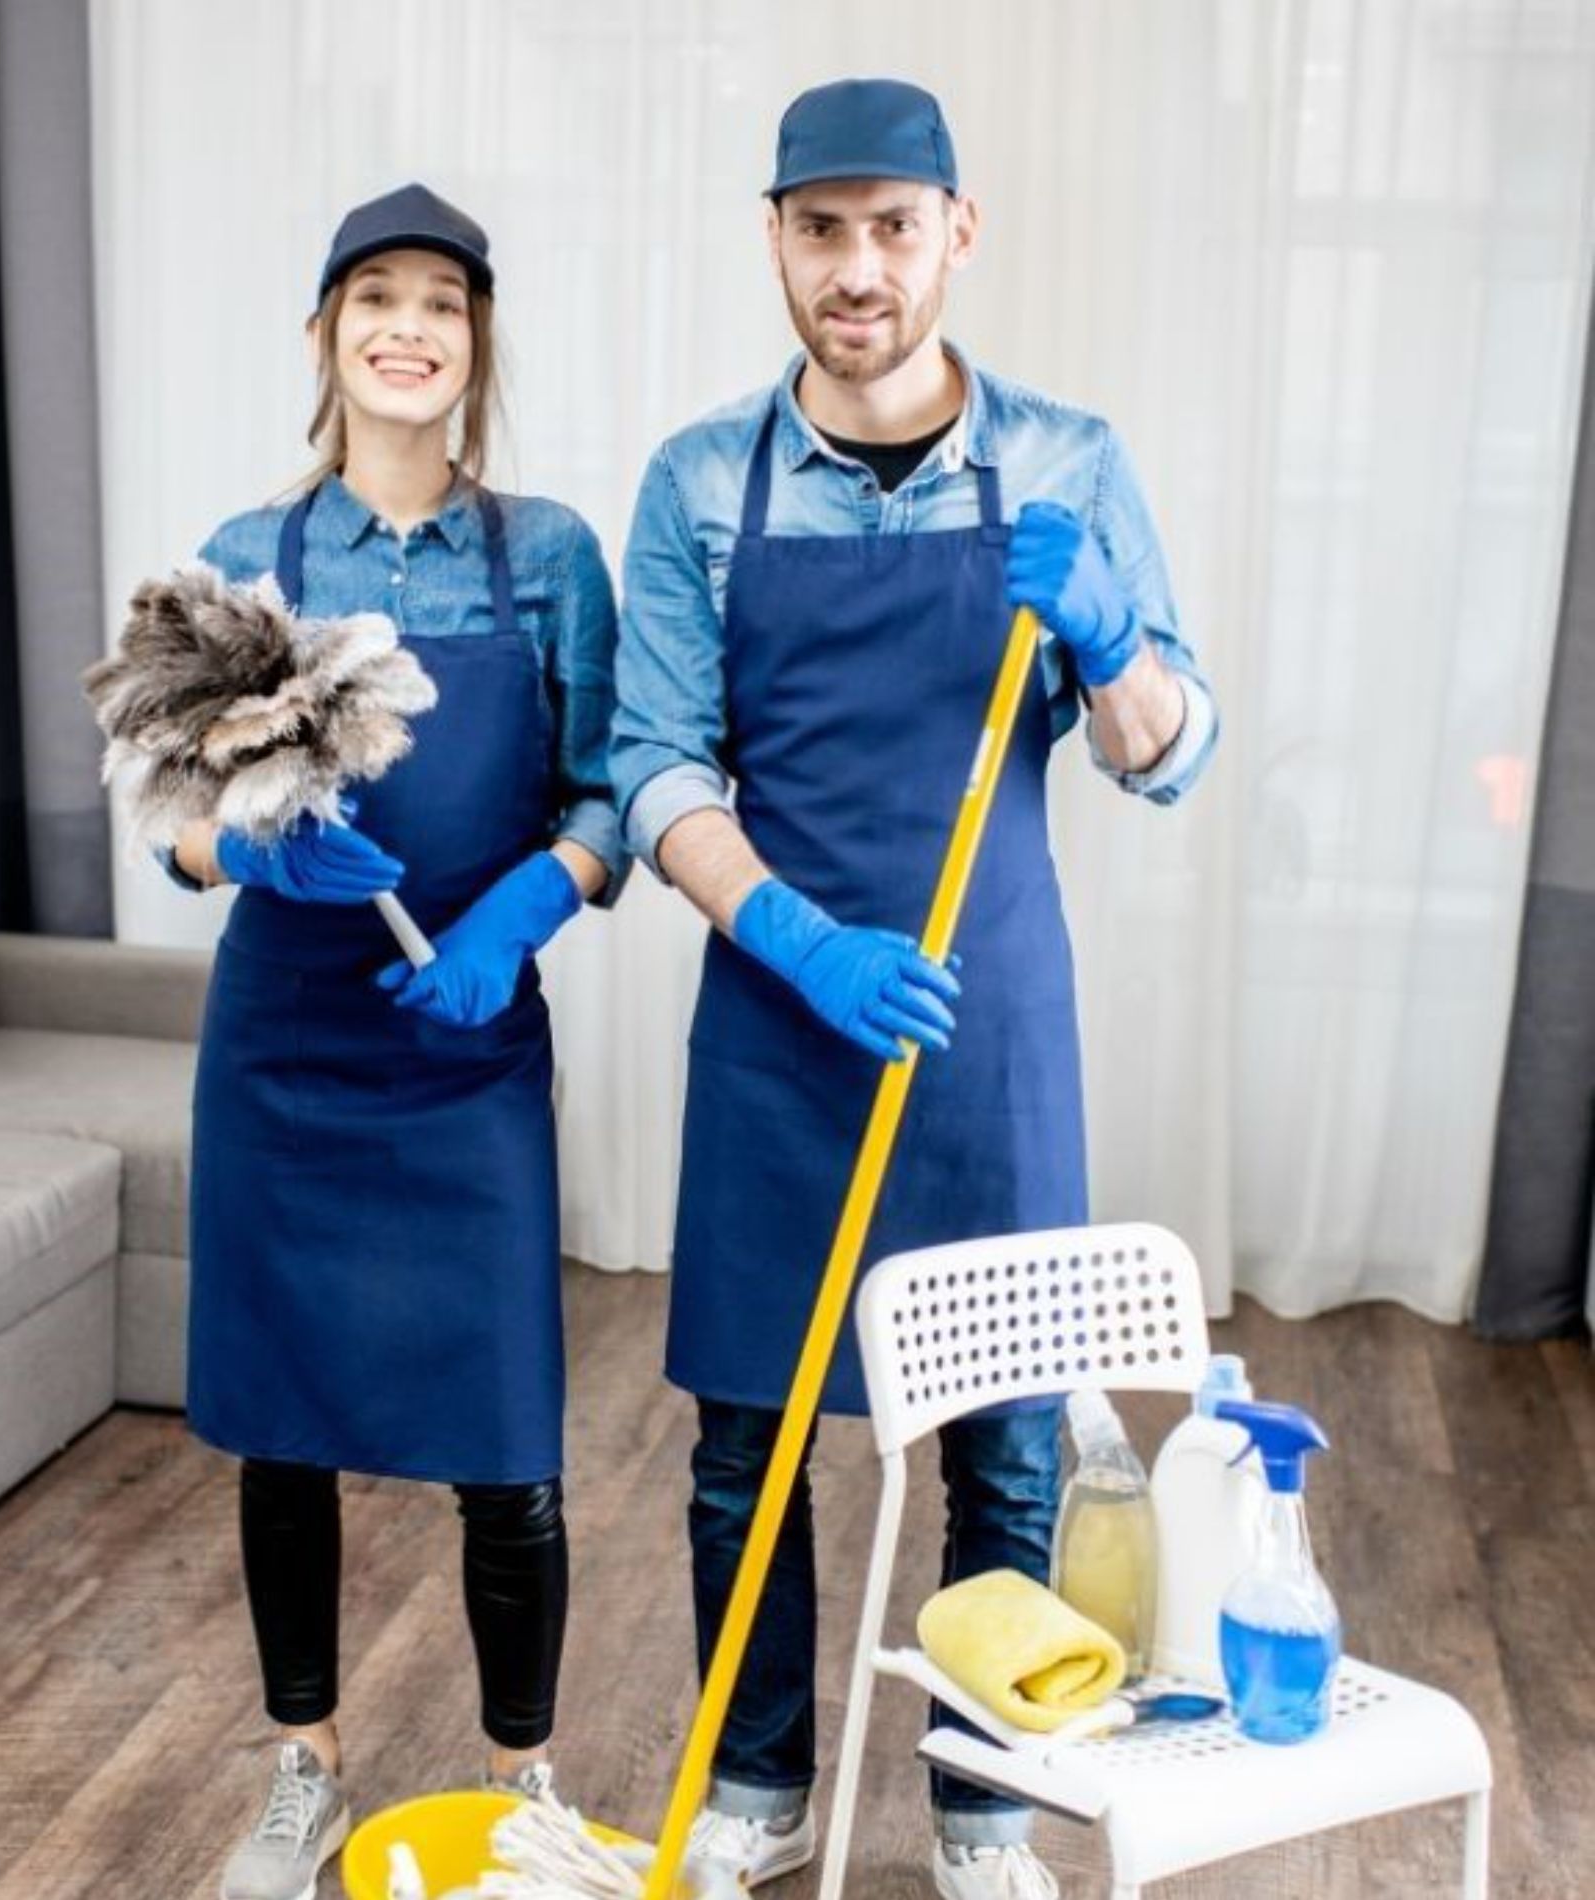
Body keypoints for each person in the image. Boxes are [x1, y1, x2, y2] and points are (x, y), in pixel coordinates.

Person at [610, 79, 1218, 1900]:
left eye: (894, 226)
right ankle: (758, 1783)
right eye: (822, 229)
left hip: (986, 1014)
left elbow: (1168, 753)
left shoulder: (1069, 463)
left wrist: (1109, 637)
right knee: (748, 1440)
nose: (857, 268)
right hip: (775, 1013)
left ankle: (982, 1811)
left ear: (960, 232)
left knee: (1005, 1444)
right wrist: (795, 936)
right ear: (775, 240)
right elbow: (657, 767)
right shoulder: (701, 480)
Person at [163, 182, 626, 1900]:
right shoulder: (249, 557)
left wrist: (524, 912)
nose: (409, 328)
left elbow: (607, 794)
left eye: (443, 300)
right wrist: (249, 852)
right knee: (283, 1432)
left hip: (467, 1053)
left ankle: (523, 1792)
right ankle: (306, 1772)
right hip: (285, 1053)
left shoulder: (551, 555)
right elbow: (167, 820)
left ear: (476, 342)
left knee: (507, 1444)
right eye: (377, 298)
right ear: (325, 334)